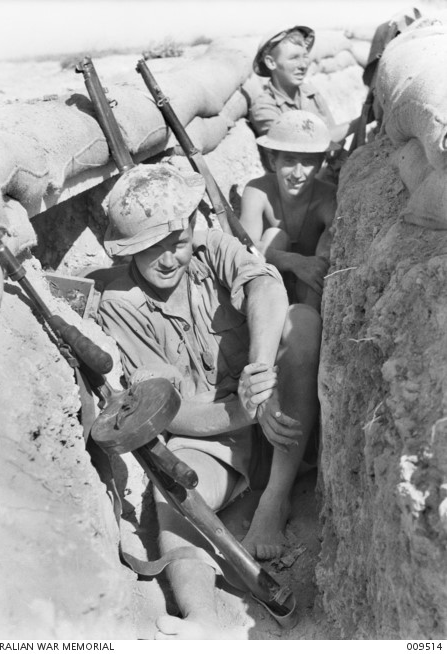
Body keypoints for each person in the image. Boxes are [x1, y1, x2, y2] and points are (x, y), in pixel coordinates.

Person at [98, 163, 321, 639]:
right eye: (149, 247)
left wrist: (258, 376)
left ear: (191, 231)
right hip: (214, 437)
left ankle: (275, 501)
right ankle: (198, 616)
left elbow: (266, 286)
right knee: (171, 486)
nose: (167, 258)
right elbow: (168, 411)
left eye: (175, 241)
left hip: (283, 413)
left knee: (302, 322)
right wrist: (243, 411)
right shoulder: (120, 305)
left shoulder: (212, 247)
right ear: (127, 251)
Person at [240, 110, 338, 312]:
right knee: (275, 235)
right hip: (268, 288)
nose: (297, 174)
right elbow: (243, 249)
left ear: (321, 163)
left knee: (319, 264)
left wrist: (308, 265)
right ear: (273, 161)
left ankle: (304, 323)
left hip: (308, 291)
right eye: (289, 161)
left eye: (308, 162)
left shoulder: (328, 198)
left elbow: (325, 261)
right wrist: (294, 262)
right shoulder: (257, 191)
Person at [249, 26, 359, 155]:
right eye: (294, 58)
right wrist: (359, 121)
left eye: (305, 57)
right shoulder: (264, 107)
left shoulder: (311, 93)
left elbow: (333, 133)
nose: (302, 65)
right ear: (271, 62)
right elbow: (301, 146)